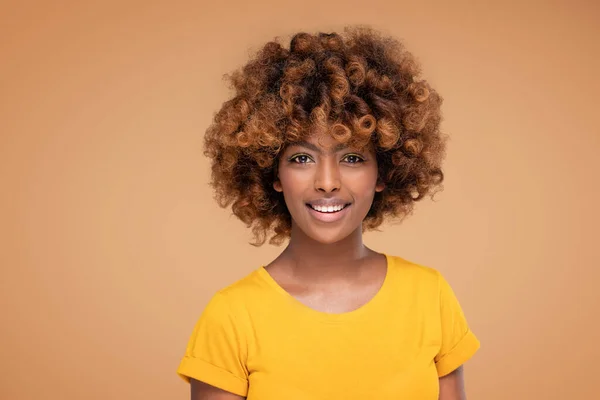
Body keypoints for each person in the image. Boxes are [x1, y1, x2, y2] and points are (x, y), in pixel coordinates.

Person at [176, 26, 480, 399]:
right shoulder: (232, 316)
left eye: (352, 157)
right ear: (274, 173)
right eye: (302, 158)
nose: (327, 182)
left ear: (382, 172)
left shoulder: (430, 296)